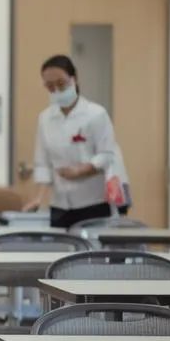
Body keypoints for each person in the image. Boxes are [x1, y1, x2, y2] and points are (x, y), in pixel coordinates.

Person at [23, 54, 124, 229]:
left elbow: (107, 155)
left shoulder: (96, 114)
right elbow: (43, 163)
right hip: (60, 205)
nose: (56, 90)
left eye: (61, 84)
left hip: (93, 203)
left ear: (74, 78)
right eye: (50, 86)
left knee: (91, 254)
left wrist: (81, 170)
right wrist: (38, 198)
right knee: (62, 252)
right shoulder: (45, 118)